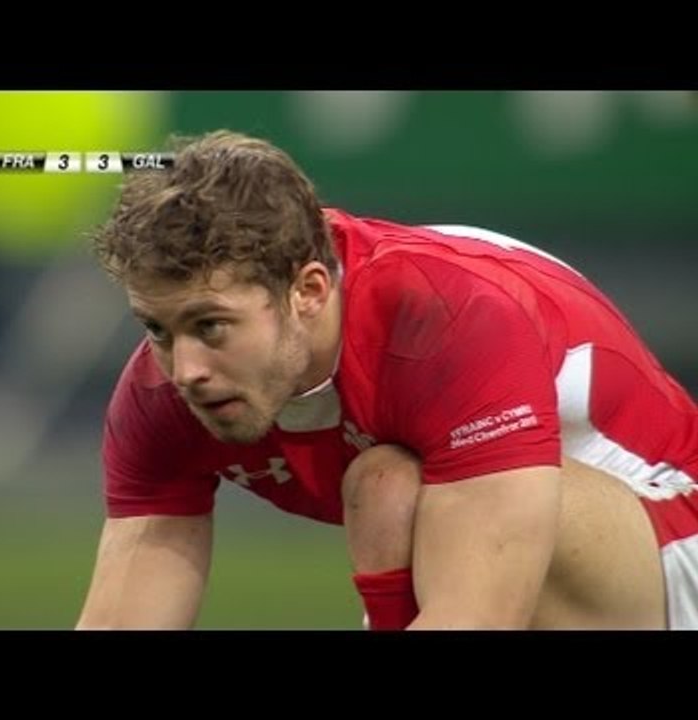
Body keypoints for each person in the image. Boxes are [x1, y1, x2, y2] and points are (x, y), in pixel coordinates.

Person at [76, 130, 698, 630]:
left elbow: (479, 616)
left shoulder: (444, 323)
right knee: (387, 489)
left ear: (309, 291)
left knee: (389, 487)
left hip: (672, 540)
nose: (185, 370)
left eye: (212, 326)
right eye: (157, 330)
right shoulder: (161, 393)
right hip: (530, 543)